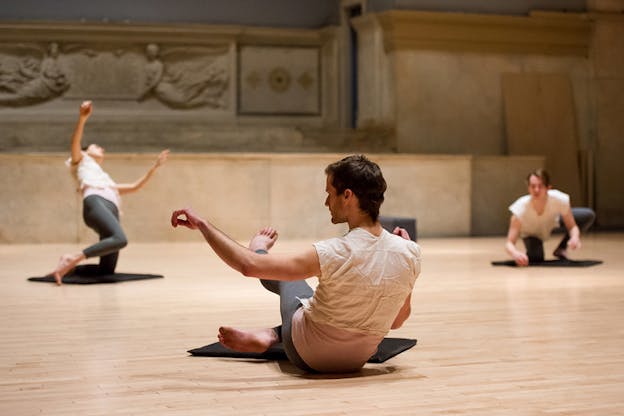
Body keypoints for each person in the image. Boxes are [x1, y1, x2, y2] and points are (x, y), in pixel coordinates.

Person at [171, 155, 421, 373]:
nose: (326, 202)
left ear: (348, 196)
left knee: (292, 281)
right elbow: (397, 322)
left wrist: (205, 225)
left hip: (309, 355)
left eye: (329, 193)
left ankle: (273, 330)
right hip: (358, 359)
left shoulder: (334, 251)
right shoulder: (410, 252)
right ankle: (270, 335)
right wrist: (407, 267)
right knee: (322, 297)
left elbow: (249, 266)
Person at [48, 100, 169, 285]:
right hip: (95, 204)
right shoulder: (81, 162)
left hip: (110, 210)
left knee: (107, 270)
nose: (101, 148)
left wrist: (155, 166)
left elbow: (136, 186)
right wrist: (82, 118)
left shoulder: (105, 180)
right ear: (85, 151)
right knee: (120, 239)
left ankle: (69, 268)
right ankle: (72, 258)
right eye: (96, 146)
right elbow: (75, 142)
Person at [505, 169, 595, 266]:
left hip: (553, 222)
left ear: (548, 188)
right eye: (533, 186)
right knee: (536, 257)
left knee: (587, 215)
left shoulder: (559, 199)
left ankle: (561, 248)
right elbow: (509, 243)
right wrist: (515, 254)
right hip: (532, 234)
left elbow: (572, 226)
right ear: (528, 188)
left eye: (540, 186)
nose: (536, 190)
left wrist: (575, 237)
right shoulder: (520, 208)